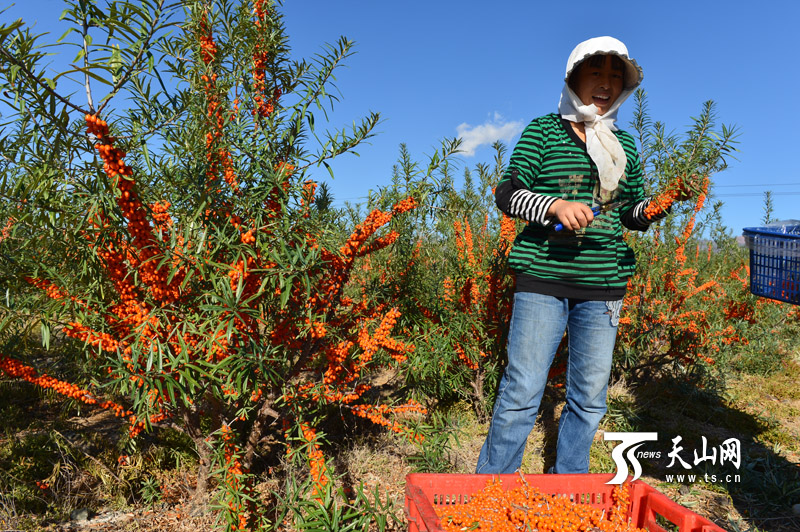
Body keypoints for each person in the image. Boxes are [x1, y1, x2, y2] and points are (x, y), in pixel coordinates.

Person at [476, 36, 675, 475]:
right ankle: (488, 492)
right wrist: (554, 207)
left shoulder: (626, 146)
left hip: (604, 283)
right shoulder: (544, 131)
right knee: (523, 390)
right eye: (596, 72)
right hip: (543, 278)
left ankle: (569, 486)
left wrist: (655, 207)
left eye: (614, 75)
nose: (605, 83)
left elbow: (630, 212)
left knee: (589, 397)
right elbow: (507, 193)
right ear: (574, 78)